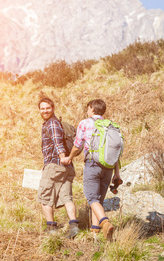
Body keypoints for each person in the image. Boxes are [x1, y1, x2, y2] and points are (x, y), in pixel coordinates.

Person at [64, 99, 121, 241]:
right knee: (98, 200)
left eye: (88, 108)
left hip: (92, 164)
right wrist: (117, 173)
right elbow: (116, 153)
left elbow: (77, 145)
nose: (87, 111)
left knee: (91, 197)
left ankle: (105, 222)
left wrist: (70, 157)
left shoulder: (85, 123)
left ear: (92, 109)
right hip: (108, 167)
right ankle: (95, 234)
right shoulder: (111, 125)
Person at [36, 97, 79, 239]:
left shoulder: (52, 123)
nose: (45, 110)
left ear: (53, 108)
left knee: (45, 197)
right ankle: (74, 226)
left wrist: (61, 157)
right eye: (42, 108)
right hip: (66, 167)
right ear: (39, 110)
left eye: (48, 108)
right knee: (67, 197)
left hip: (56, 165)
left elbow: (57, 141)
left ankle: (51, 228)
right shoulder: (56, 122)